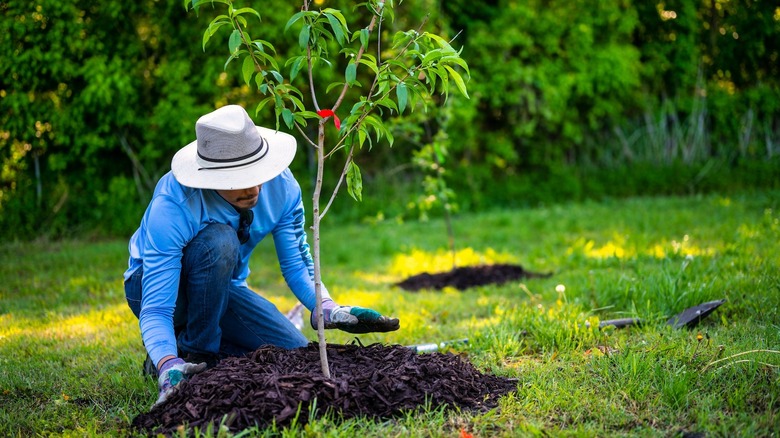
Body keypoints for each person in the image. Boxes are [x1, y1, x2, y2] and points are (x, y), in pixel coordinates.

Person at [123, 104, 400, 406]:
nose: (254, 187)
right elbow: (157, 308)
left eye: (257, 172)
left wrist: (327, 307)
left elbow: (297, 263)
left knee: (292, 351)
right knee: (221, 240)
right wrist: (167, 363)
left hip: (223, 289)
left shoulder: (281, 187)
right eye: (237, 177)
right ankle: (187, 356)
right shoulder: (175, 204)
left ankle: (188, 350)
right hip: (154, 289)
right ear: (210, 177)